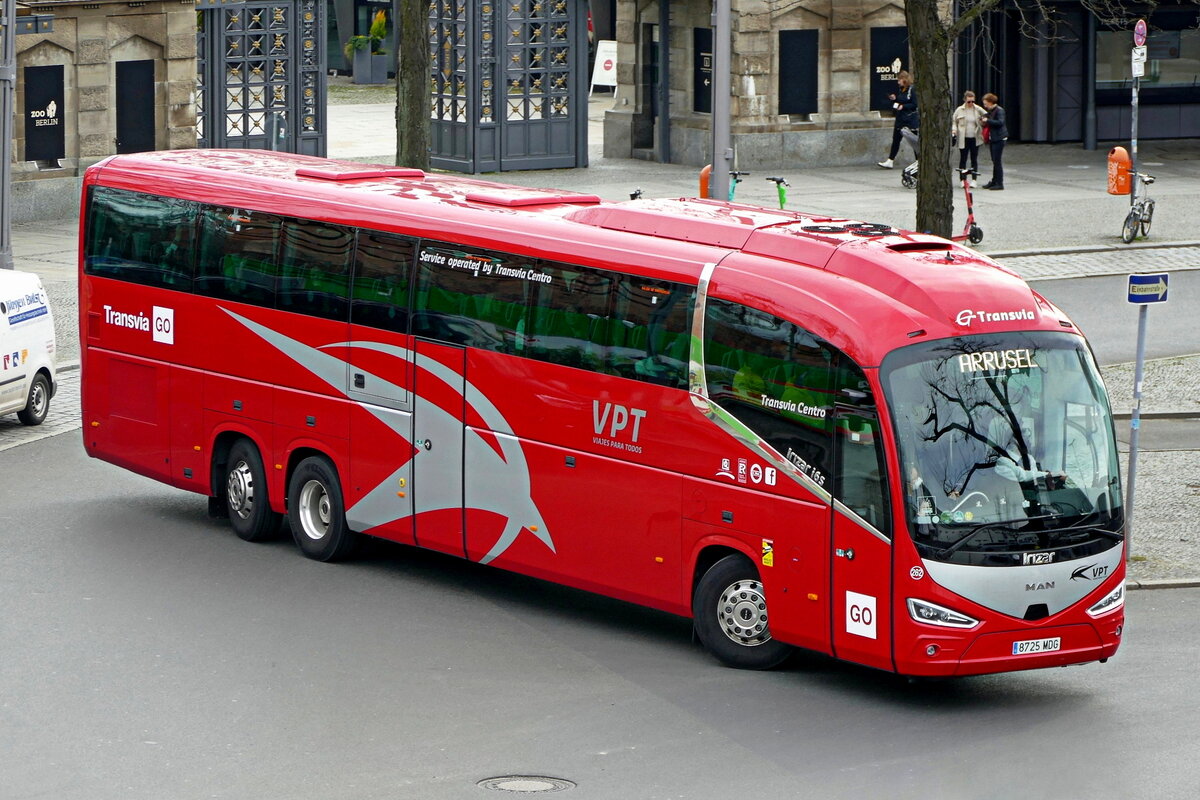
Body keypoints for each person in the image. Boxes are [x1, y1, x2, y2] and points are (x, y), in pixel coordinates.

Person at [877, 70, 918, 169]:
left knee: (914, 141)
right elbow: (900, 101)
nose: (898, 82)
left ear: (904, 79)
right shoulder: (901, 89)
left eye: (899, 80)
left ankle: (919, 161)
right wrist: (895, 99)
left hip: (910, 119)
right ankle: (890, 160)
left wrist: (903, 106)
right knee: (896, 140)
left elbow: (914, 104)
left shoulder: (912, 89)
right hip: (900, 118)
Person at [951, 91, 987, 187]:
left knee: (974, 159)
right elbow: (954, 121)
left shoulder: (978, 109)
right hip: (964, 137)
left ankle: (974, 180)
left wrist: (983, 121)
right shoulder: (960, 110)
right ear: (965, 100)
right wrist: (954, 130)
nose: (971, 103)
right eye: (969, 102)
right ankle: (962, 179)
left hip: (975, 137)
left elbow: (987, 115)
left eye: (972, 101)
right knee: (963, 158)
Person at [981, 93, 1008, 190]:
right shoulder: (991, 111)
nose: (985, 106)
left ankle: (999, 183)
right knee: (994, 160)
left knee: (997, 161)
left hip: (999, 138)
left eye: (986, 103)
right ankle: (994, 180)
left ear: (991, 102)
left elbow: (1000, 122)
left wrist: (987, 121)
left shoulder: (999, 110)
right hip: (993, 138)